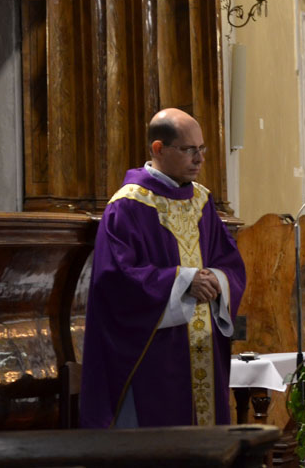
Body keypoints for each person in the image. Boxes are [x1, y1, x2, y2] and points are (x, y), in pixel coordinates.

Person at [79, 108, 246, 428]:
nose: (199, 159)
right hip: (155, 355)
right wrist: (184, 282)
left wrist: (217, 279)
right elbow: (115, 281)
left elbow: (229, 261)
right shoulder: (128, 206)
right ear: (158, 149)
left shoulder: (202, 201)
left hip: (203, 348)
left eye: (202, 148)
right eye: (188, 150)